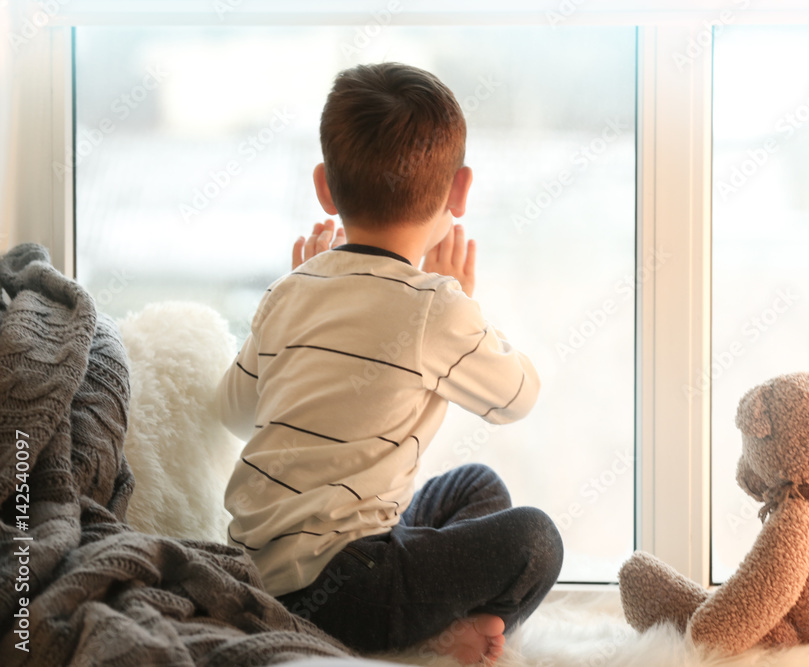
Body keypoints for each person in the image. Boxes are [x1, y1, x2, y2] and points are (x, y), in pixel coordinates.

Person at [217, 62, 563, 665]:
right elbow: (519, 397)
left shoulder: (287, 291)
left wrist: (302, 290)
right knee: (537, 539)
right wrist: (464, 303)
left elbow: (234, 412)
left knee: (475, 485)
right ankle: (456, 632)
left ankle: (442, 621)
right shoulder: (436, 306)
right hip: (353, 589)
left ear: (325, 186)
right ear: (460, 190)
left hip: (260, 570)